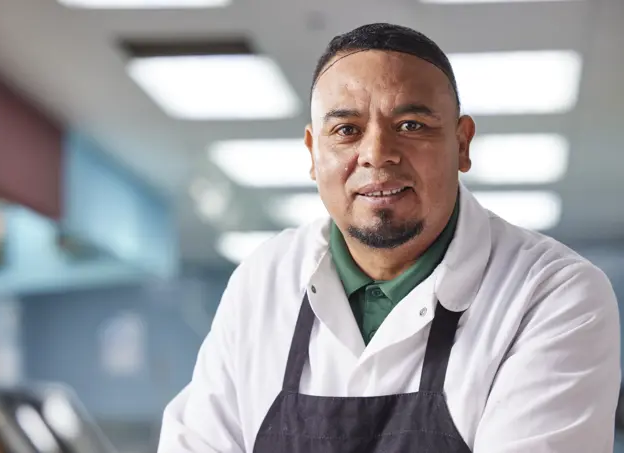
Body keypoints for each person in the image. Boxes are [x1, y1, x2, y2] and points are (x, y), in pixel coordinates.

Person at [158, 23, 621, 453]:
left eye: (411, 126)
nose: (377, 154)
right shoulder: (264, 280)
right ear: (312, 153)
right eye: (346, 130)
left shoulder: (552, 294)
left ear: (461, 144)